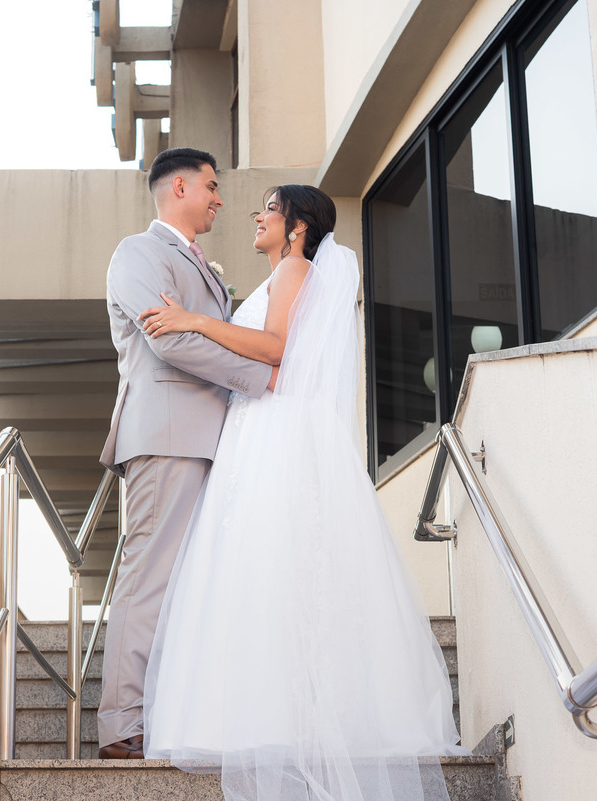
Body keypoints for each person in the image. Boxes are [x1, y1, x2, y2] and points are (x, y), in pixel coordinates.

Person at [138, 185, 468, 801]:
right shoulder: (292, 272)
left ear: (296, 228)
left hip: (277, 429)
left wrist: (190, 320)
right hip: (265, 425)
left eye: (269, 207)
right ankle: (282, 712)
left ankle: (268, 717)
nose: (258, 215)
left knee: (269, 565)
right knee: (278, 568)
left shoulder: (295, 267)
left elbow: (275, 349)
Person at [97, 148, 274, 759]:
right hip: (169, 436)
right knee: (149, 579)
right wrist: (259, 375)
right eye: (211, 186)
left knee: (187, 585)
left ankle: (166, 710)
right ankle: (122, 724)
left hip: (210, 441)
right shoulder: (138, 253)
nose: (220, 198)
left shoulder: (201, 265)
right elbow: (167, 340)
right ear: (179, 187)